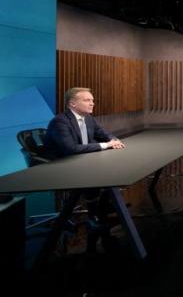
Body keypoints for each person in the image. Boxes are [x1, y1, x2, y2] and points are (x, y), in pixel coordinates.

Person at [42, 87, 126, 253]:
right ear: (72, 104)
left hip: (81, 160)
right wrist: (105, 145)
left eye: (92, 100)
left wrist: (114, 140)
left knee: (110, 168)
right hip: (62, 164)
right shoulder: (60, 121)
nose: (92, 103)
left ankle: (103, 208)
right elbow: (71, 149)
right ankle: (93, 216)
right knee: (95, 175)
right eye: (87, 100)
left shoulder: (89, 119)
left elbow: (105, 134)